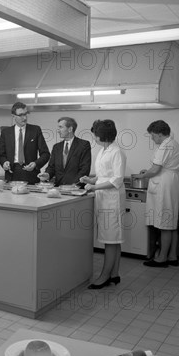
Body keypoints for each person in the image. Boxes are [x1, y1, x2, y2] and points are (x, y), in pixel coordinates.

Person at [80, 119, 126, 289]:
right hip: (104, 196)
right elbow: (103, 175)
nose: (94, 137)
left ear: (102, 135)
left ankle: (104, 276)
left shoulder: (117, 152)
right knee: (112, 238)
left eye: (95, 135)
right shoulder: (103, 151)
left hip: (112, 198)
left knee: (111, 239)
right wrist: (90, 179)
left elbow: (117, 180)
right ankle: (115, 274)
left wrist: (94, 186)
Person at [132, 120, 179, 267]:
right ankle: (172, 256)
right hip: (170, 182)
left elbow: (155, 170)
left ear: (160, 134)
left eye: (153, 135)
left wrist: (142, 176)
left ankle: (161, 259)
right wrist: (147, 172)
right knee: (171, 222)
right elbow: (157, 168)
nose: (152, 138)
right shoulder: (173, 144)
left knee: (164, 223)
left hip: (164, 185)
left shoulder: (165, 145)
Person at [0, 101, 50, 184]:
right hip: (12, 173)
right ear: (13, 116)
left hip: (31, 173)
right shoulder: (6, 132)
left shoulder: (35, 130)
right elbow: (1, 155)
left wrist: (35, 164)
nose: (24, 118)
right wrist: (4, 163)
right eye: (20, 115)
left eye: (25, 114)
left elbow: (45, 154)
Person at [38, 117, 91, 186]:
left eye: (61, 127)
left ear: (70, 129)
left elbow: (84, 169)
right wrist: (47, 175)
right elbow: (51, 167)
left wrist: (74, 185)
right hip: (59, 189)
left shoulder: (83, 145)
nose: (58, 130)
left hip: (76, 189)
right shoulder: (56, 147)